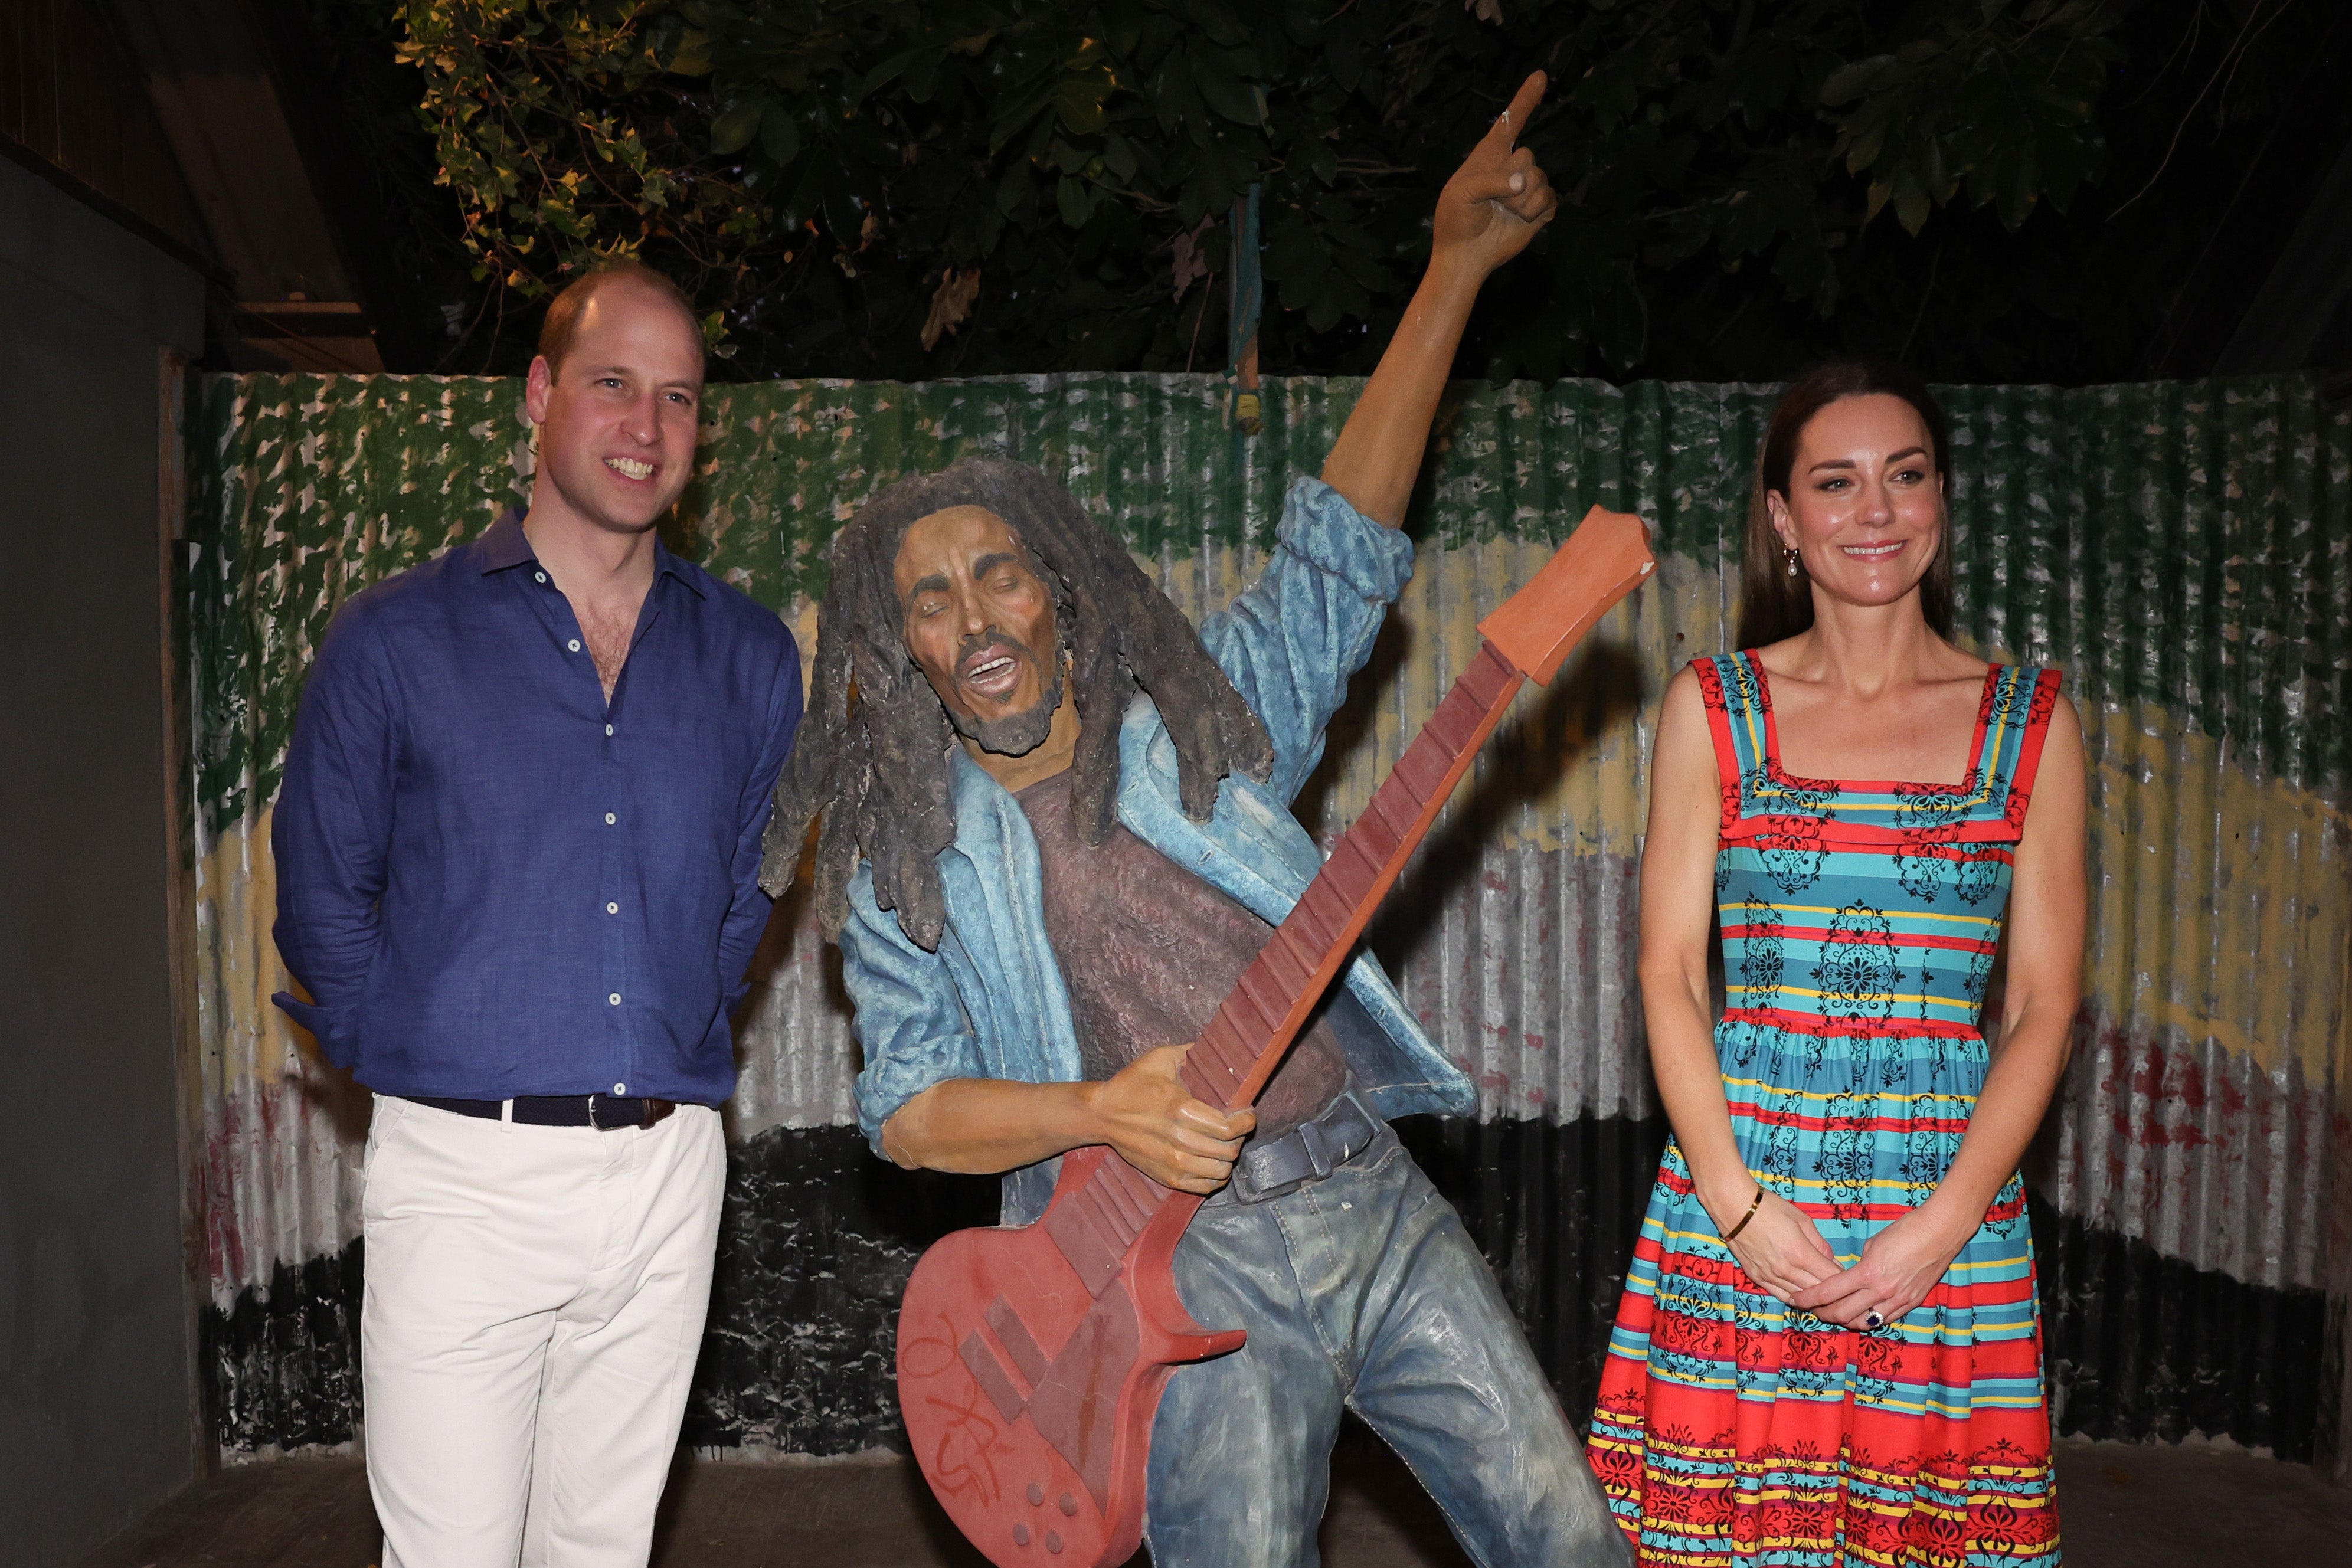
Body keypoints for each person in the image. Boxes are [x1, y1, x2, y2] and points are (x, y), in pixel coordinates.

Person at [761, 73, 1624, 1568]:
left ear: (1063, 591)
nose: (972, 614)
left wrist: (1450, 273)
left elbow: (1339, 548)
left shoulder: (1204, 733)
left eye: (1000, 574)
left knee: (1565, 1539)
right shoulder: (912, 864)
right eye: (929, 597)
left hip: (1370, 1195)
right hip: (1176, 1274)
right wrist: (1099, 1114)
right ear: (896, 648)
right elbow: (905, 1111)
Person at [270, 260, 803, 1568]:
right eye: (614, 384)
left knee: (603, 1550)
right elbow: (322, 895)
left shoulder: (747, 655)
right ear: (540, 393)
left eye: (678, 399)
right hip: (465, 1179)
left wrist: (671, 1023)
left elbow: (748, 887)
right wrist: (426, 1050)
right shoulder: (394, 641)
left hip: (671, 1170)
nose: (646, 427)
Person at [1587, 361, 2085, 1566]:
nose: (1876, 511)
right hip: (1747, 1194)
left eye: (1905, 478)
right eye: (1836, 482)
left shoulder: (2030, 722)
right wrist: (1736, 1203)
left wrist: (1944, 1224)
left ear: (1941, 499)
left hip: (1942, 1206)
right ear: (1782, 519)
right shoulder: (1715, 707)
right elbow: (1669, 973)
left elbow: (2039, 1003)